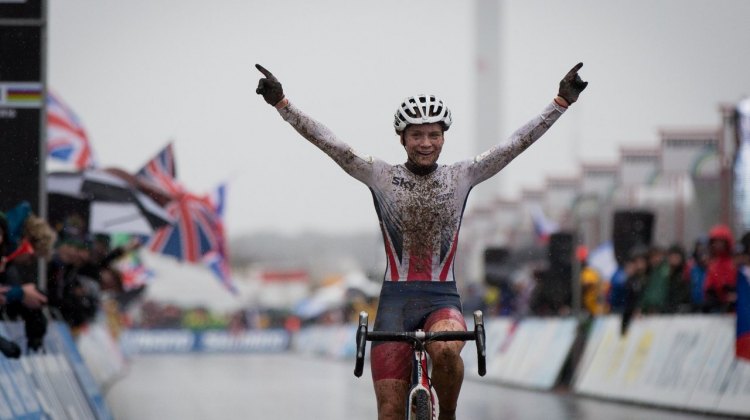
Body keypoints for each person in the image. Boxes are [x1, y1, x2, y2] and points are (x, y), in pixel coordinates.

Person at [256, 62, 587, 420]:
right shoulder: (380, 175)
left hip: (442, 298)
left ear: (444, 137)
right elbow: (332, 145)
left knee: (445, 350)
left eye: (433, 135)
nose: (426, 143)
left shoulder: (461, 175)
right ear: (403, 139)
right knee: (389, 412)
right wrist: (283, 105)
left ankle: (448, 415)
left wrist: (559, 103)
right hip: (394, 304)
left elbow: (513, 145)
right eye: (417, 135)